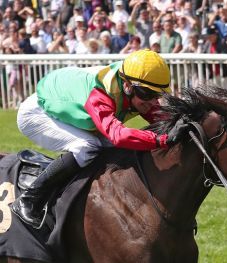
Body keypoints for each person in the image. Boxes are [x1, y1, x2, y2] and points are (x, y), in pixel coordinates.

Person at [10, 50, 191, 229]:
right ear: (127, 85)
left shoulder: (134, 86)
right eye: (147, 94)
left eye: (157, 95)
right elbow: (118, 135)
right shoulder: (100, 93)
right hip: (36, 113)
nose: (153, 101)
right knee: (87, 147)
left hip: (70, 103)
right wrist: (162, 140)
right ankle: (29, 199)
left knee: (114, 147)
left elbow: (159, 116)